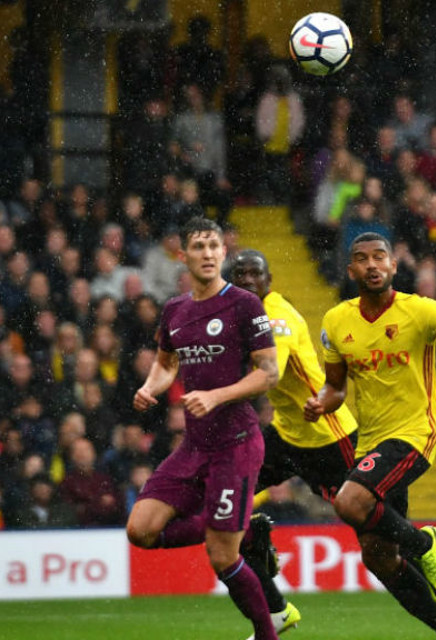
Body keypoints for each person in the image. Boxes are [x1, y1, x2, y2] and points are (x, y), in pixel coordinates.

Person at [303, 232, 436, 640]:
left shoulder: (422, 311)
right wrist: (322, 402)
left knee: (349, 502)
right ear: (351, 270)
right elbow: (337, 387)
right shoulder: (335, 321)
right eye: (362, 259)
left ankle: (425, 545)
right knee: (379, 557)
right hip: (371, 443)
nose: (372, 265)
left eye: (380, 257)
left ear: (394, 265)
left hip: (416, 433)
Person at [124, 217, 281, 640]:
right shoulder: (175, 309)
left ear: (223, 253)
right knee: (140, 531)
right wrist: (150, 386)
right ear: (184, 255)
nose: (208, 254)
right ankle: (238, 527)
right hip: (194, 445)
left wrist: (216, 395)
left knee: (221, 556)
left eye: (214, 246)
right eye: (199, 247)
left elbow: (269, 373)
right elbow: (166, 361)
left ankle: (268, 634)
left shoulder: (245, 304)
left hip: (237, 443)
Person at [230, 249, 362, 638]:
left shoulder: (276, 316)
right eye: (240, 275)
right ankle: (275, 612)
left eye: (256, 273)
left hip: (328, 435)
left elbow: (269, 373)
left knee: (377, 530)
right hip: (287, 435)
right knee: (227, 505)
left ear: (269, 280)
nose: (249, 280)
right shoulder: (241, 315)